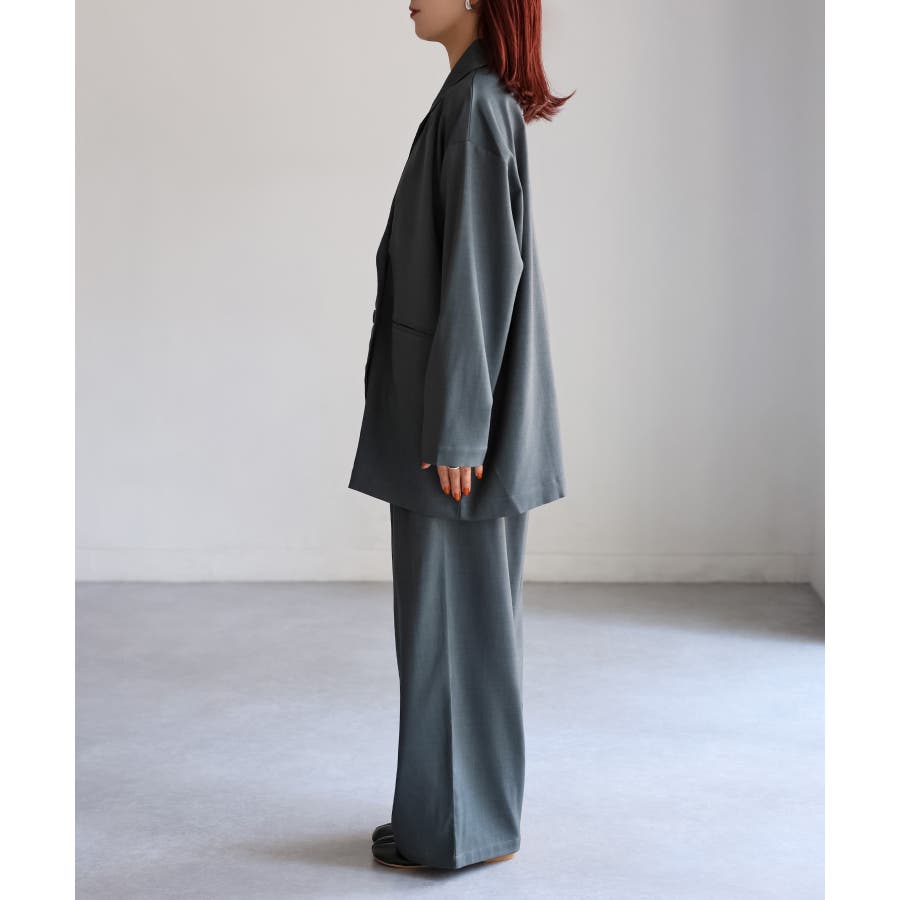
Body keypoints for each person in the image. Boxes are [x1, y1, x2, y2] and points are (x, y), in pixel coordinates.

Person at [348, 0, 574, 871]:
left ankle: (457, 831)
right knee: (449, 630)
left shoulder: (477, 106)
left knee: (453, 628)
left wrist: (459, 431)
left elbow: (482, 275)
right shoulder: (472, 98)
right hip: (449, 415)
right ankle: (445, 816)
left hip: (456, 431)